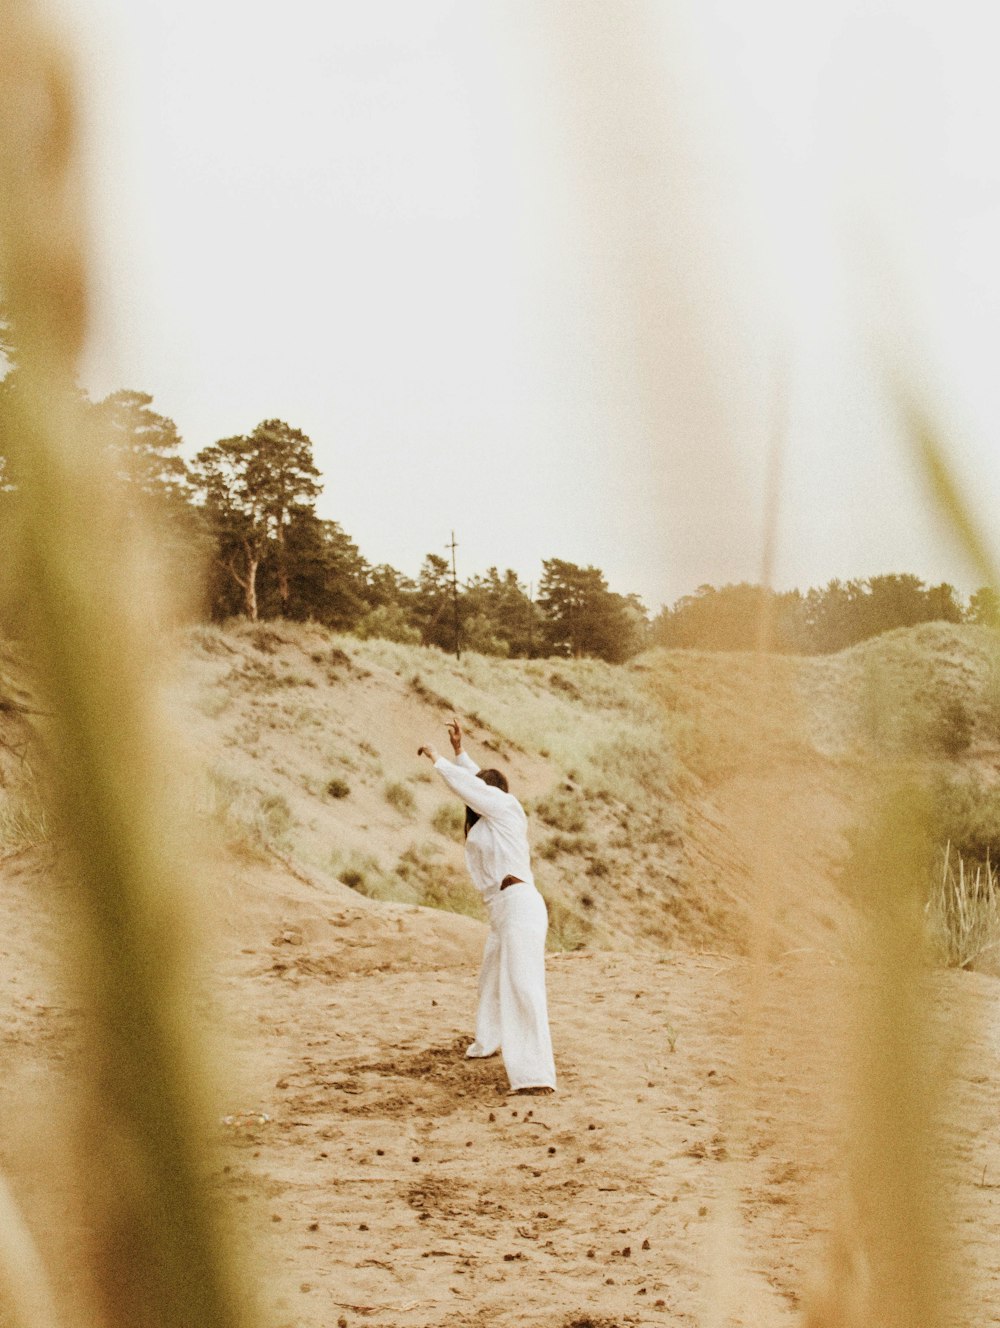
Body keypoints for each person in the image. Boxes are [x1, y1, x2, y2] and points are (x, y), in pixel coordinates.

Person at [417, 718, 557, 1094]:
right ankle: (488, 1042)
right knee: (491, 981)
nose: (477, 792)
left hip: (520, 906)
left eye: (482, 787)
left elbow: (473, 787)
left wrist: (439, 759)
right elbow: (476, 782)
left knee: (523, 986)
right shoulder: (489, 821)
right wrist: (461, 751)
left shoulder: (506, 807)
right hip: (501, 912)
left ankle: (535, 1075)